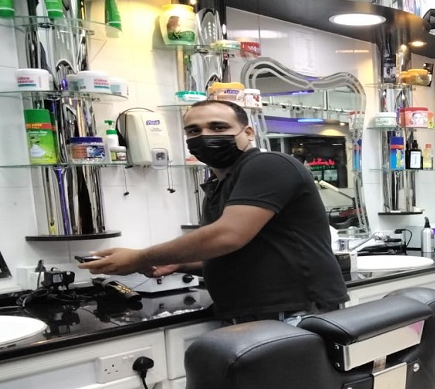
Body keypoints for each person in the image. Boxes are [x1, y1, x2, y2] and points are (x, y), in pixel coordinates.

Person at [80, 100, 348, 323]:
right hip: (253, 310)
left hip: (293, 310)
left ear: (248, 132)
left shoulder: (268, 165)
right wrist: (180, 264)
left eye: (218, 127)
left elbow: (227, 236)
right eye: (194, 131)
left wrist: (139, 258)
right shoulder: (221, 183)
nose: (205, 136)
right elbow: (245, 252)